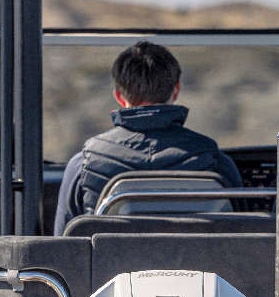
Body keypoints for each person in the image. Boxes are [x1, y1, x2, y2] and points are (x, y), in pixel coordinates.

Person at [53, 40, 242, 235]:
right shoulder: (214, 160)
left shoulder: (84, 164)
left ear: (118, 96)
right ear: (176, 90)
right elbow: (240, 232)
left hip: (111, 265)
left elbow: (64, 240)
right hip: (199, 266)